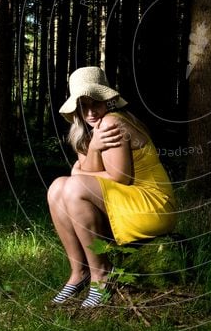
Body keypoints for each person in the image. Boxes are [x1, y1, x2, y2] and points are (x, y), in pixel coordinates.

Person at [48, 66, 176, 308]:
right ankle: (79, 273)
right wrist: (92, 151)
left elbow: (120, 177)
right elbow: (90, 172)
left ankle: (103, 275)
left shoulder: (111, 123)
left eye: (95, 102)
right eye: (82, 106)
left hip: (152, 205)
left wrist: (82, 168)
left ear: (108, 99)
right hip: (127, 202)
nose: (90, 112)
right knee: (57, 188)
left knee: (73, 187)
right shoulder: (88, 132)